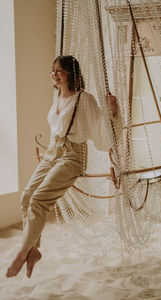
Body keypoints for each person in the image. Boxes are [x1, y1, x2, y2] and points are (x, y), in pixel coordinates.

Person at [6, 55, 117, 278]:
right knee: (27, 197)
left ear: (71, 73)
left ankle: (22, 252)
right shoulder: (57, 99)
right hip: (52, 152)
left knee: (39, 199)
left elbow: (99, 127)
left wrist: (112, 113)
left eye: (59, 70)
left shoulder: (84, 98)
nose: (54, 74)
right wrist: (50, 155)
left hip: (72, 155)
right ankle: (34, 250)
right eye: (52, 70)